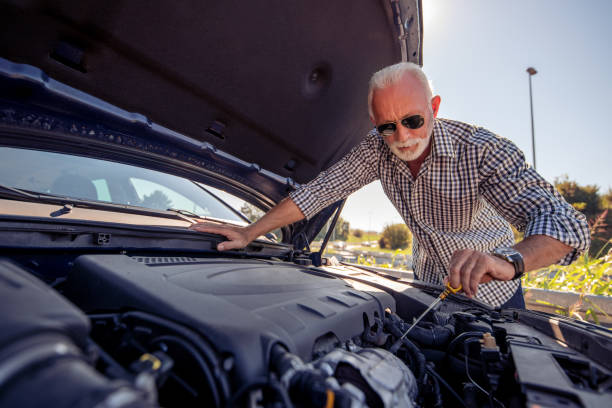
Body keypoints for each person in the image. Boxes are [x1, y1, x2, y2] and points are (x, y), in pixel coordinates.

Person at [190, 62, 590, 308]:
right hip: (426, 286)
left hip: (494, 298)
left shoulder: (482, 151)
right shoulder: (375, 150)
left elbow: (566, 224)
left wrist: (509, 262)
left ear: (434, 108)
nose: (402, 137)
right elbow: (320, 191)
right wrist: (249, 231)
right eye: (387, 126)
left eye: (413, 120)